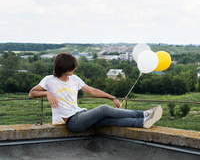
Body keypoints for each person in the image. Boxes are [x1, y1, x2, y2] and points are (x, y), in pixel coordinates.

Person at [29, 52, 163, 132]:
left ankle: (142, 122)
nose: (74, 69)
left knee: (109, 119)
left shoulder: (74, 79)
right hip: (72, 122)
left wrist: (112, 97)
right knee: (103, 110)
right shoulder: (49, 80)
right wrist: (47, 93)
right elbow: (32, 93)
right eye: (72, 67)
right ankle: (144, 113)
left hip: (81, 114)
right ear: (63, 67)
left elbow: (92, 91)